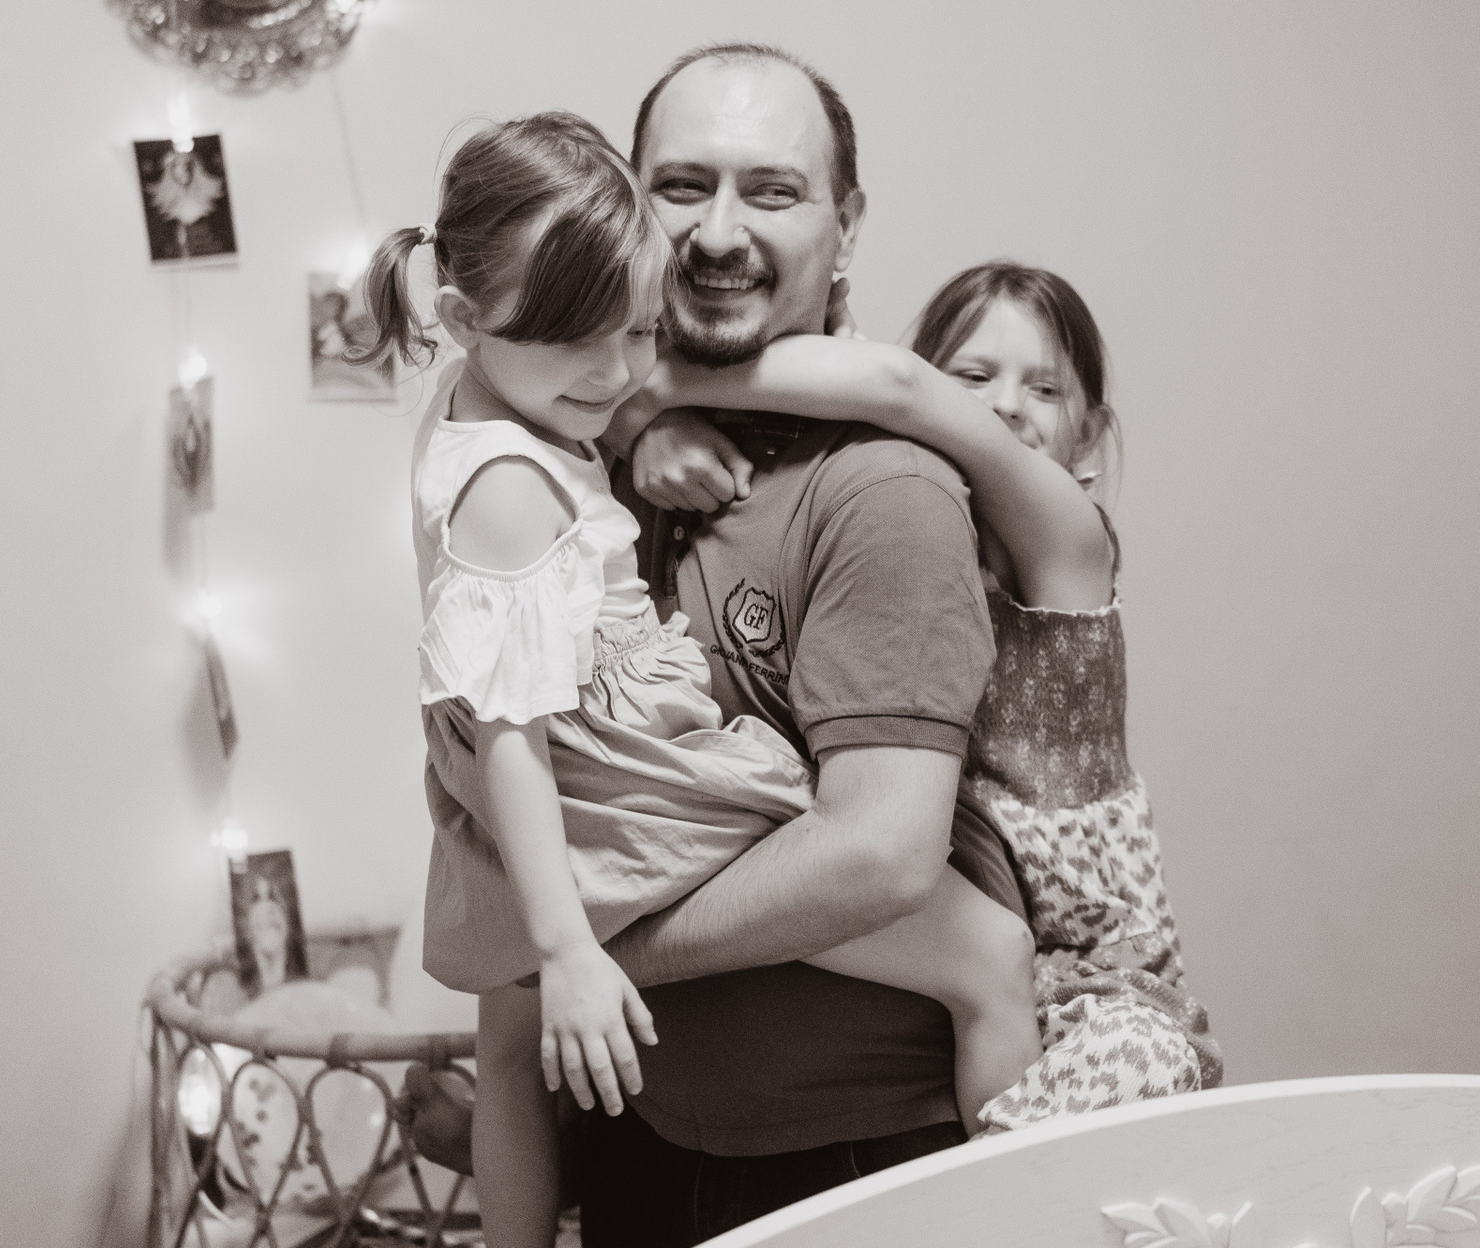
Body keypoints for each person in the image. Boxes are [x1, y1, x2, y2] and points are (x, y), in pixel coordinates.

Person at [359, 110, 1038, 1248]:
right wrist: (568, 947)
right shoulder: (512, 485)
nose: (619, 372)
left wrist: (636, 420)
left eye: (637, 333)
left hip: (571, 757)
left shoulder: (496, 395)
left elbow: (580, 378)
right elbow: (515, 728)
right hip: (610, 766)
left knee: (507, 1034)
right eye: (580, 345)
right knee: (994, 956)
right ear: (466, 320)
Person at [626, 261, 1223, 1131]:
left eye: (1044, 388)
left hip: (1092, 957)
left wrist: (651, 389)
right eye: (973, 377)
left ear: (1090, 432)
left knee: (1105, 1099)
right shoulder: (897, 513)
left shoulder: (1066, 540)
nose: (1007, 405)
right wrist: (660, 431)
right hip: (971, 929)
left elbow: (894, 384)